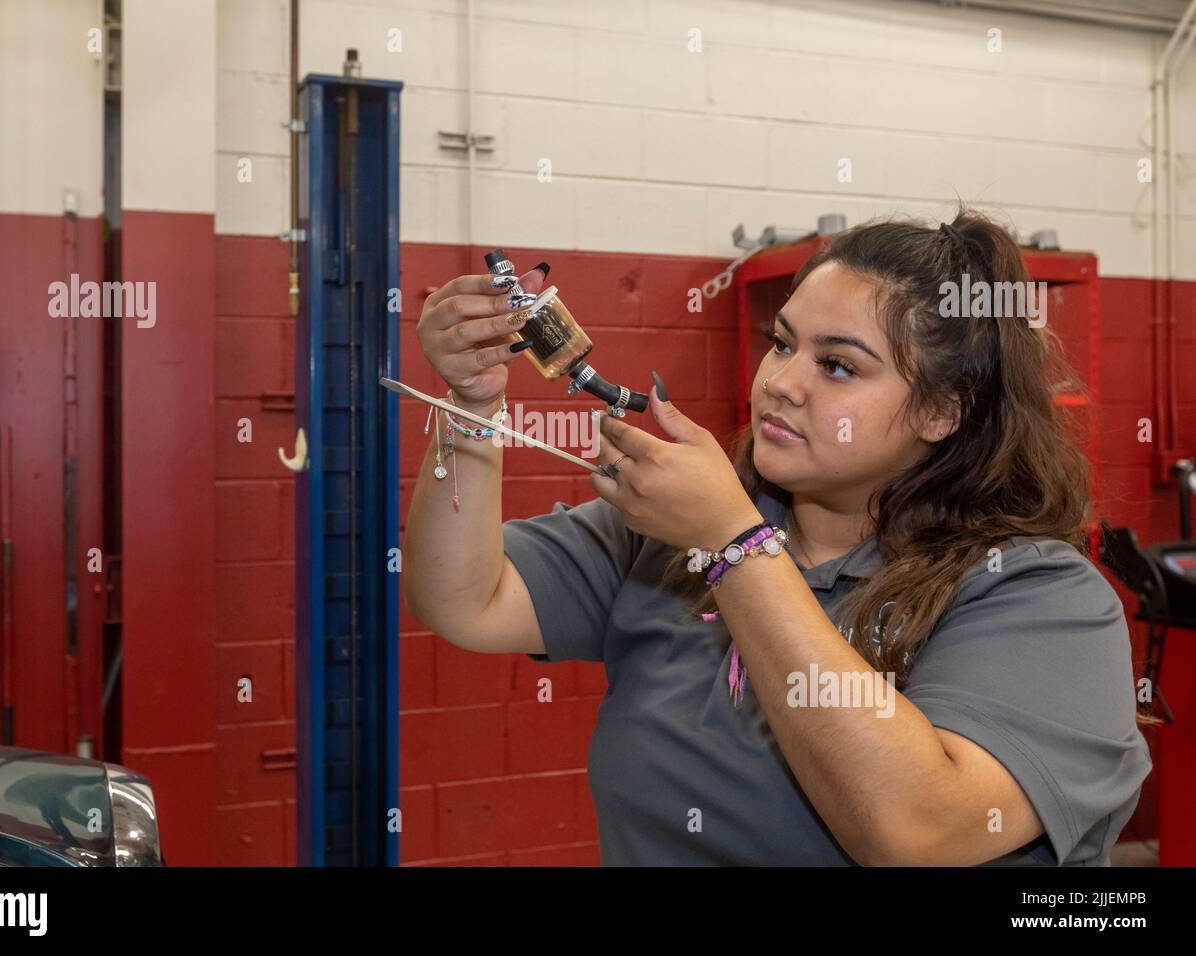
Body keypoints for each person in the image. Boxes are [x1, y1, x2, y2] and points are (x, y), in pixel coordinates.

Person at [402, 210, 1154, 866]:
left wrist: (734, 545)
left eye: (837, 365)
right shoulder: (674, 528)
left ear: (941, 412)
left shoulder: (1035, 596)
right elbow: (465, 599)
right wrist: (470, 407)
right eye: (782, 343)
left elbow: (913, 830)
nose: (783, 382)